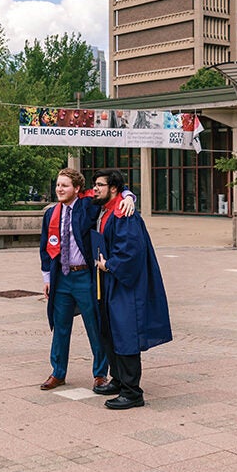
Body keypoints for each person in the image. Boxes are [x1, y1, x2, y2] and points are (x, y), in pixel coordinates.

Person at [39, 168, 133, 393]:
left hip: (85, 276)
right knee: (60, 326)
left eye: (65, 185)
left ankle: (100, 374)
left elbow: (114, 190)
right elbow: (44, 246)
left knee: (95, 326)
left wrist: (129, 196)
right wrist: (47, 277)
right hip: (61, 276)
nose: (59, 189)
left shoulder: (88, 205)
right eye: (58, 185)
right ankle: (58, 372)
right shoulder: (50, 214)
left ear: (77, 189)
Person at [92, 169, 172, 409]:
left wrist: (110, 265)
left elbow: (131, 252)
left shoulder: (124, 214)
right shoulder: (106, 209)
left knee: (125, 334)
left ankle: (132, 392)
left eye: (99, 185)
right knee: (110, 332)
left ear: (113, 189)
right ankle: (118, 380)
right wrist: (130, 194)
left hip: (125, 285)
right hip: (109, 283)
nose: (95, 189)